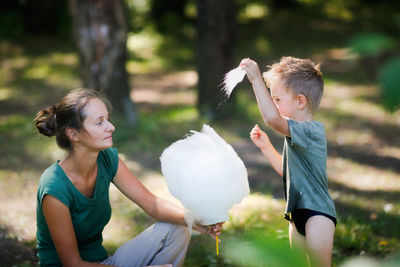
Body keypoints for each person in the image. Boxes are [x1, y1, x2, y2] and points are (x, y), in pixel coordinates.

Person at [34, 88, 222, 267]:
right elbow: (72, 264)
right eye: (100, 122)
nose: (111, 127)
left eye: (108, 119)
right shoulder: (54, 187)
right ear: (73, 133)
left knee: (176, 229)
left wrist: (197, 220)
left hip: (103, 263)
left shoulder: (107, 159)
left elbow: (152, 204)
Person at [240, 57, 337, 267]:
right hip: (296, 214)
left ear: (300, 101)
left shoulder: (312, 131)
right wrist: (266, 148)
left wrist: (256, 78)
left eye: (277, 99)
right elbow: (289, 174)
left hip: (318, 215)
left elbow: (272, 120)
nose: (274, 105)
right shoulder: (295, 135)